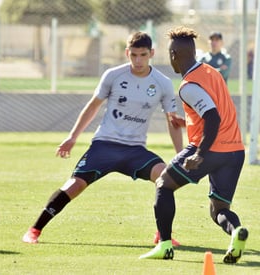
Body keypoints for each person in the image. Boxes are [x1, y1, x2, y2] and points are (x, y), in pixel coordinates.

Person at [22, 32, 183, 246]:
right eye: (133, 55)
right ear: (127, 53)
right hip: (104, 145)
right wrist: (72, 137)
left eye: (143, 55)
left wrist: (180, 154)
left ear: (152, 53)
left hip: (135, 150)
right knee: (74, 185)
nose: (138, 60)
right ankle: (34, 230)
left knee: (166, 179)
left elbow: (172, 121)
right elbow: (92, 107)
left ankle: (162, 236)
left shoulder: (162, 83)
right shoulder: (113, 75)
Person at [140, 26, 248, 264]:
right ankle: (236, 232)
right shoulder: (211, 72)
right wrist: (186, 122)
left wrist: (200, 153)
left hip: (210, 149)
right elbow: (212, 109)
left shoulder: (188, 85)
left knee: (163, 184)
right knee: (218, 209)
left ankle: (165, 246)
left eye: (170, 54)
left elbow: (212, 117)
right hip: (235, 150)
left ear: (174, 55)